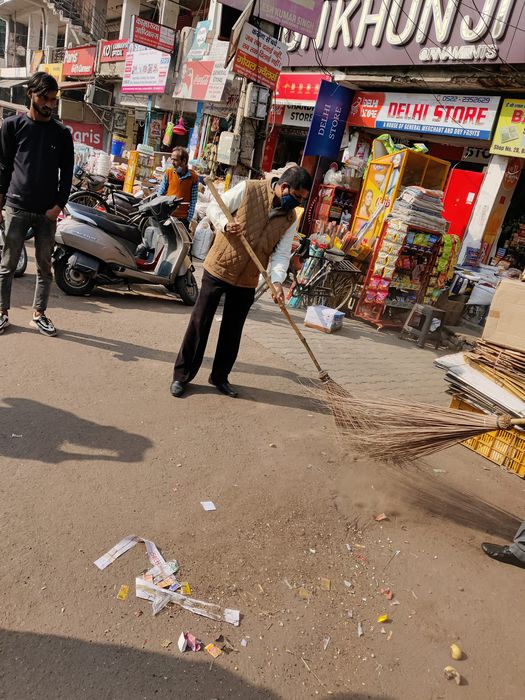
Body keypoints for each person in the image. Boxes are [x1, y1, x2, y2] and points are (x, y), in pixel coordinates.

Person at [170, 165, 312, 398]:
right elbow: (216, 207)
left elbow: (281, 253)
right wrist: (225, 225)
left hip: (248, 279)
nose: (298, 203)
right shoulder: (249, 189)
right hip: (220, 267)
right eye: (297, 197)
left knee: (232, 331)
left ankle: (219, 377)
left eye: (302, 200)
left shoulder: (290, 218)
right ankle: (182, 376)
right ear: (284, 187)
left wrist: (277, 282)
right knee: (200, 323)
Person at [0, 71, 74, 336]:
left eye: (54, 99)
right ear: (30, 94)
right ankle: (2, 312)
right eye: (45, 98)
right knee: (7, 265)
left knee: (45, 267)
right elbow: (4, 167)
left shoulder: (62, 133)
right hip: (16, 207)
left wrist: (58, 206)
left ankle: (39, 314)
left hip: (47, 213)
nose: (50, 104)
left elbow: (67, 173)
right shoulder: (12, 126)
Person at [157, 146, 199, 229]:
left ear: (184, 161)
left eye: (175, 160)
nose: (172, 162)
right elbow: (160, 194)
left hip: (182, 219)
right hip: (167, 216)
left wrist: (188, 218)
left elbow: (193, 200)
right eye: (172, 159)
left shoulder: (193, 177)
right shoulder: (168, 173)